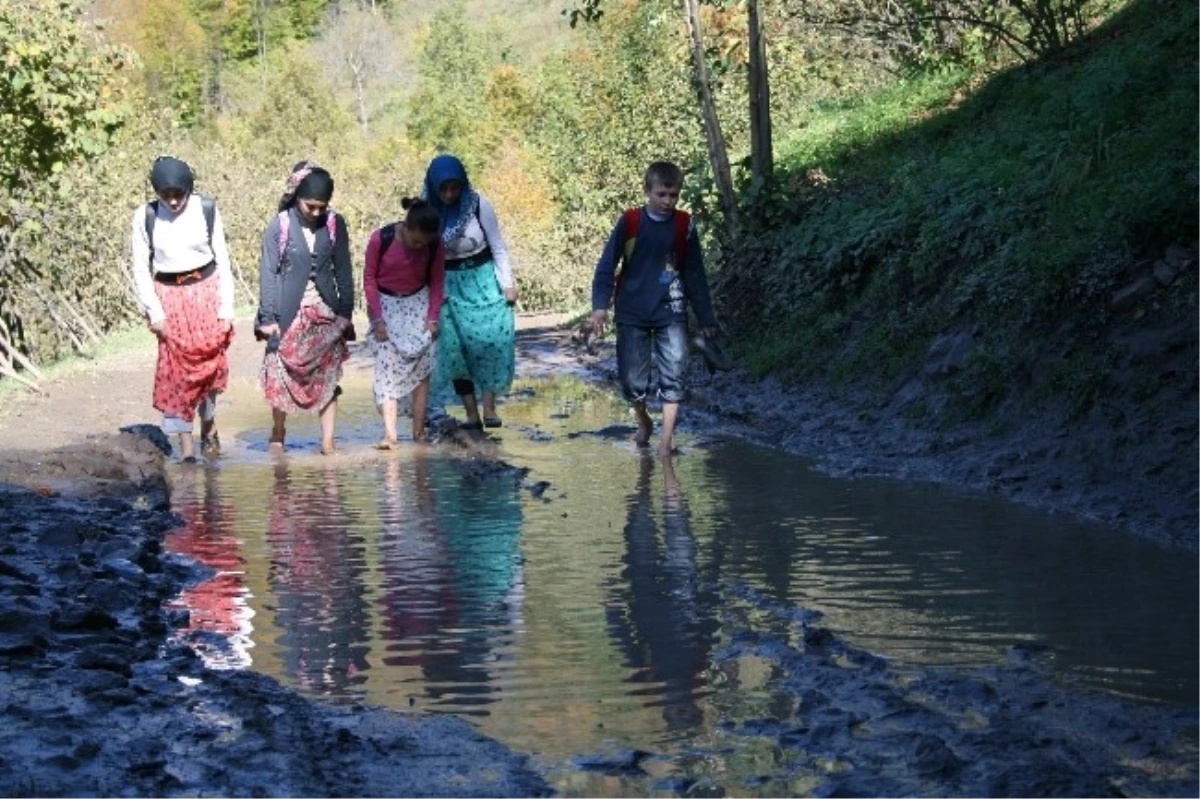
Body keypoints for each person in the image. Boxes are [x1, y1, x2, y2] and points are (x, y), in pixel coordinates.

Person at [591, 161, 718, 455]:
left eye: (673, 195)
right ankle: (644, 420)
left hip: (671, 310)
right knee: (632, 380)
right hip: (631, 309)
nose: (668, 201)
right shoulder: (631, 222)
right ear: (647, 190)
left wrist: (706, 315)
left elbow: (694, 273)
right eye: (661, 194)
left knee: (675, 374)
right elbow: (607, 265)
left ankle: (665, 441)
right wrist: (600, 306)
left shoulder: (685, 225)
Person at [129, 155, 235, 463]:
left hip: (207, 293)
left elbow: (223, 260)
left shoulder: (206, 210)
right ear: (157, 193)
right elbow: (139, 267)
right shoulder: (144, 216)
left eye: (179, 195)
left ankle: (209, 424)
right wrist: (155, 311)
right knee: (177, 373)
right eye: (167, 196)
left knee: (209, 367)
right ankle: (187, 447)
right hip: (169, 298)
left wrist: (226, 308)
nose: (173, 201)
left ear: (189, 190)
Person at [255, 161, 355, 455]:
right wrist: (268, 318)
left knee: (328, 375)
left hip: (325, 312)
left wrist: (345, 313)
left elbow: (343, 270)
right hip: (288, 314)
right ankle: (278, 431)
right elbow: (269, 272)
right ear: (296, 197)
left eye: (321, 207)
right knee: (278, 372)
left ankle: (327, 440)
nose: (316, 213)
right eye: (310, 206)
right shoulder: (280, 225)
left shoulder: (336, 224)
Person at [422, 154, 516, 430]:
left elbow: (497, 245)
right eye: (445, 189)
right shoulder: (426, 210)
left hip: (483, 280)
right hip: (448, 285)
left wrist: (507, 283)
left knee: (489, 343)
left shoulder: (478, 205)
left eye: (456, 187)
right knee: (455, 351)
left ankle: (489, 407)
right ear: (434, 186)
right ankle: (471, 413)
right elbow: (422, 254)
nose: (451, 194)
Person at [363, 198, 446, 447]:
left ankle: (418, 432)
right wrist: (377, 319)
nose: (420, 246)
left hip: (418, 304)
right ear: (406, 227)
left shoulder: (435, 245)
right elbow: (369, 279)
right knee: (388, 370)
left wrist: (433, 318)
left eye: (425, 243)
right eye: (415, 241)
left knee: (422, 372)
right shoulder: (381, 238)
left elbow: (437, 281)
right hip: (386, 306)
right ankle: (390, 435)